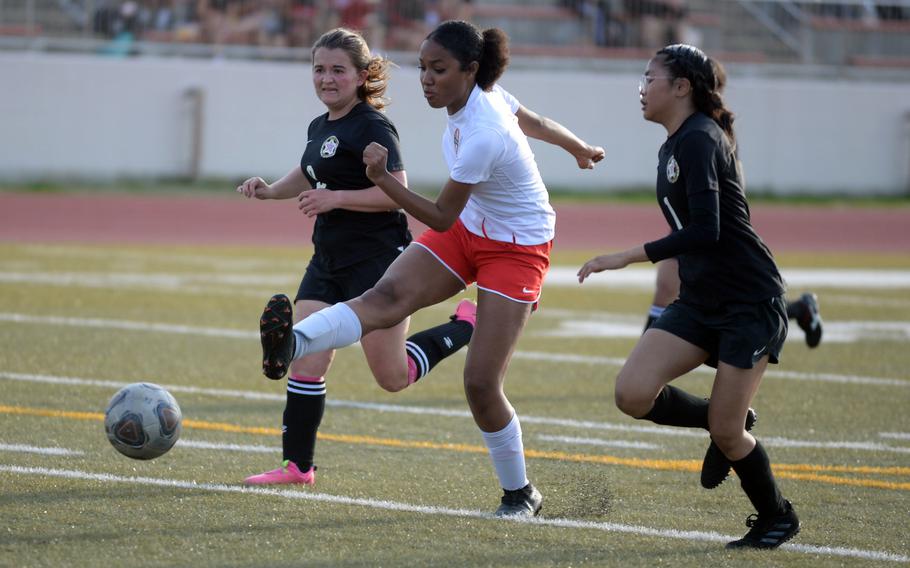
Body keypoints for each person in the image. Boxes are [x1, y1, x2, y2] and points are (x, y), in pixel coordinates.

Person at [258, 19, 604, 516]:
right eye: (422, 68)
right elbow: (534, 121)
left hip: (517, 248)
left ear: (471, 71)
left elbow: (439, 214)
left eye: (438, 70)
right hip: (470, 228)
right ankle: (292, 343)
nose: (426, 79)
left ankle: (519, 492)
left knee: (481, 384)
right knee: (384, 299)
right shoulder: (486, 97)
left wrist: (379, 177)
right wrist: (577, 147)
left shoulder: (483, 132)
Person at [578, 44, 799, 549]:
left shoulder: (700, 139)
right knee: (632, 393)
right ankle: (726, 418)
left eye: (650, 77)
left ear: (681, 88)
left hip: (748, 301)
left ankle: (777, 516)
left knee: (727, 433)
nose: (643, 87)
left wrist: (625, 256)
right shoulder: (676, 142)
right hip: (701, 300)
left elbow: (708, 230)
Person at [238, 27, 477, 486]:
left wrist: (336, 199)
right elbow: (309, 172)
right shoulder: (320, 124)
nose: (326, 79)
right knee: (306, 359)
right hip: (326, 260)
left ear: (362, 75)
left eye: (337, 70)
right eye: (319, 69)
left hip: (378, 264)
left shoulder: (372, 125)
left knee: (392, 376)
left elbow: (398, 192)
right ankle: (297, 467)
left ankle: (464, 326)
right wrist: (270, 191)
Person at [645, 258, 824, 348]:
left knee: (668, 285)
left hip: (709, 213)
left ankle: (643, 360)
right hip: (688, 210)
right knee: (673, 286)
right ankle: (799, 309)